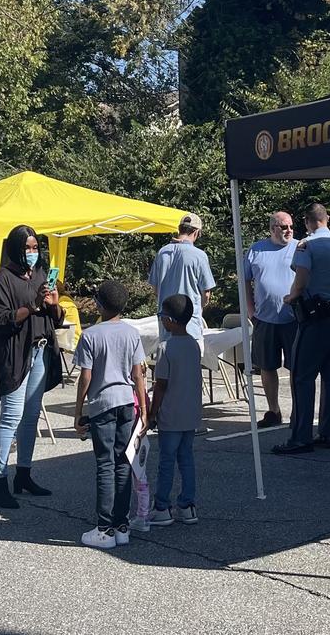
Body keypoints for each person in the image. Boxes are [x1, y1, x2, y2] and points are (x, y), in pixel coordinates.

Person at [0, 225, 64, 509]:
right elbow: (2, 319)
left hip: (41, 350)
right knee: (11, 416)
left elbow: (54, 318)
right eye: (26, 248)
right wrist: (32, 306)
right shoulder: (3, 278)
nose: (31, 253)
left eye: (35, 248)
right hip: (17, 354)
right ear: (15, 249)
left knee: (31, 416)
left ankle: (24, 473)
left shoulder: (41, 274)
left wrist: (53, 304)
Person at [272, 204, 330, 455]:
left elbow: (302, 278)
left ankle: (300, 437)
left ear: (308, 222)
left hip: (315, 317)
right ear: (327, 219)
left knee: (302, 376)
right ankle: (328, 432)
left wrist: (291, 297)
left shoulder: (306, 245)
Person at [72, 280, 148, 548]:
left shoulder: (91, 335)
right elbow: (137, 373)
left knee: (104, 465)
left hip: (103, 403)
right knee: (123, 463)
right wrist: (145, 409)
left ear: (99, 305)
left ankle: (104, 529)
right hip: (127, 402)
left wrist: (78, 409)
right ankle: (121, 525)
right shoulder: (131, 333)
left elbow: (86, 377)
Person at [147, 294, 202, 526]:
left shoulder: (165, 347)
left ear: (169, 319)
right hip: (191, 413)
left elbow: (161, 385)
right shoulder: (193, 345)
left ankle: (162, 506)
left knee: (166, 461)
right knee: (187, 459)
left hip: (170, 413)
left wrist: (151, 413)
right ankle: (187, 505)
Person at [243, 210, 298, 428]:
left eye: (291, 226)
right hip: (264, 319)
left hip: (294, 319)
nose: (289, 230)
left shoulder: (299, 247)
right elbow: (245, 280)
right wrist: (250, 310)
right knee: (267, 366)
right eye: (284, 227)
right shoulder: (256, 249)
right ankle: (274, 410)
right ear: (272, 228)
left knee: (297, 367)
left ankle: (298, 410)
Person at [148, 213, 216, 347]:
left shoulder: (162, 253)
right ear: (196, 233)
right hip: (190, 326)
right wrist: (200, 306)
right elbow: (206, 294)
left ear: (179, 229)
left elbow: (155, 290)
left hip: (166, 325)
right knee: (190, 366)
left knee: (169, 365)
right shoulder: (199, 256)